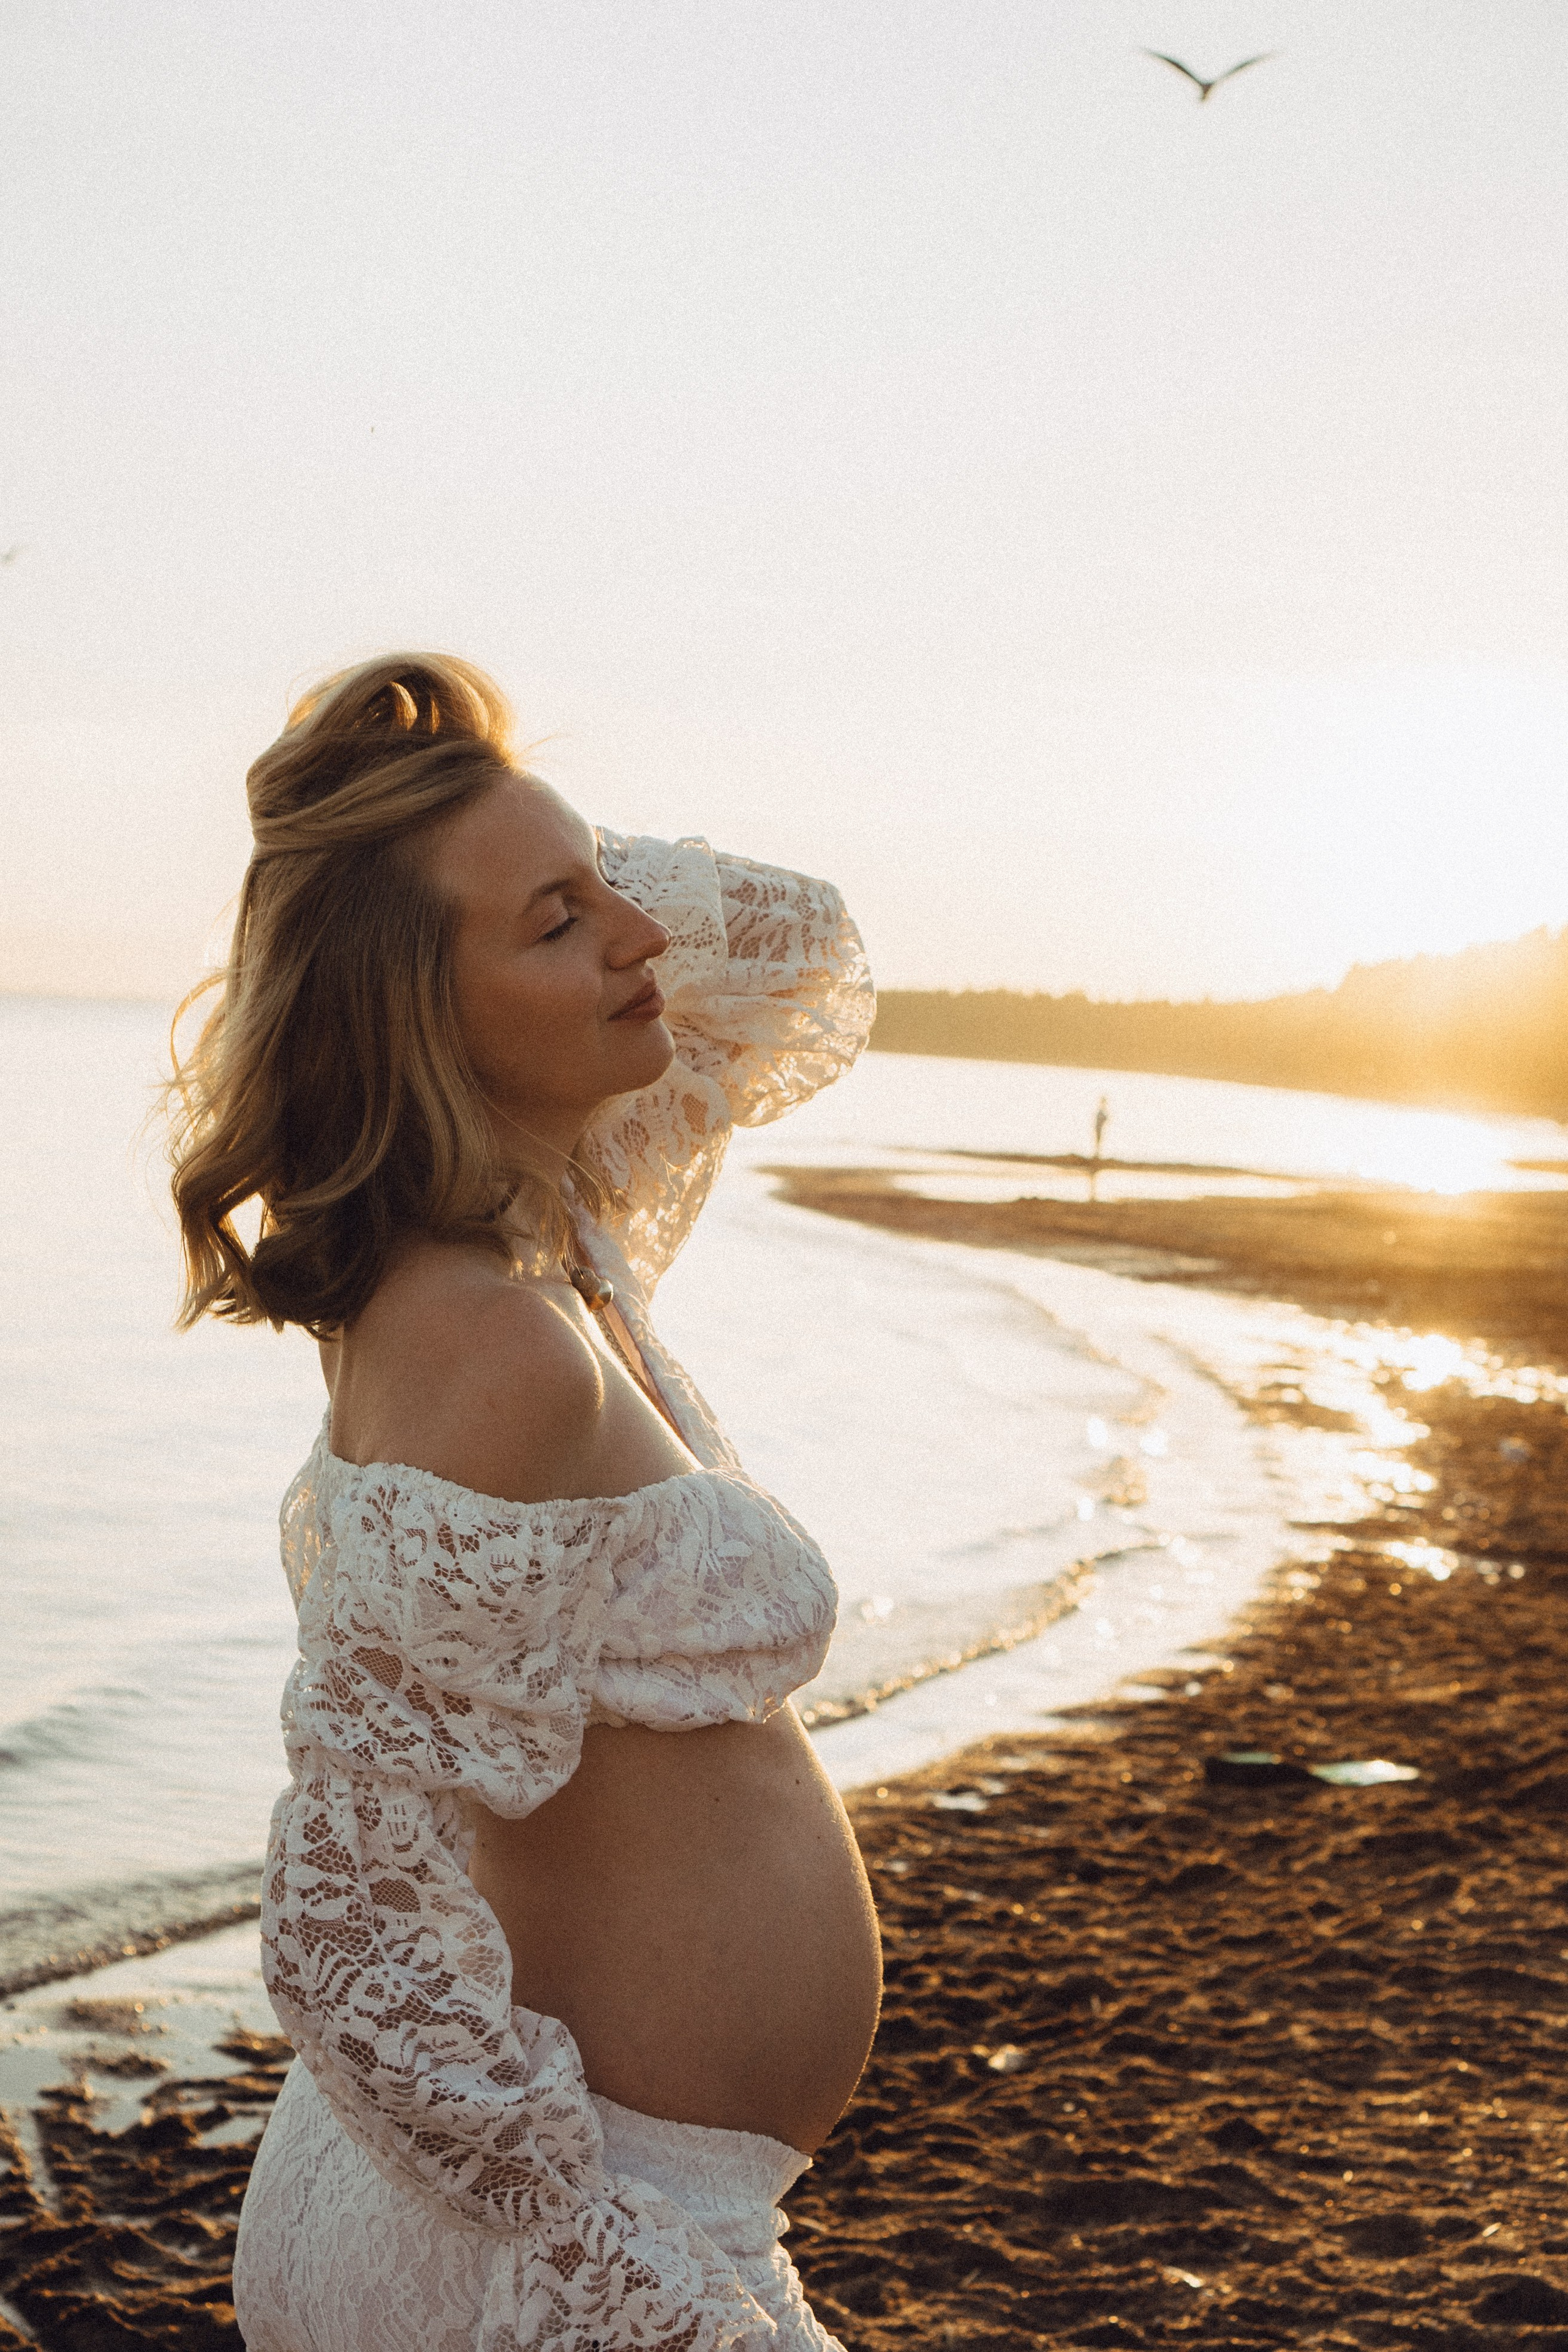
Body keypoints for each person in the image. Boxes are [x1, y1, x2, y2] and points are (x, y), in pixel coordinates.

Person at [166, 655, 882, 2352]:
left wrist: (498, 826)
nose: (642, 939)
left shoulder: (545, 1246)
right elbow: (353, 1913)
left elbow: (798, 952)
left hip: (583, 2200)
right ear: (421, 1014)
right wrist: (598, 2269)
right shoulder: (495, 1349)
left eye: (612, 897)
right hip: (548, 2235)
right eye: (561, 926)